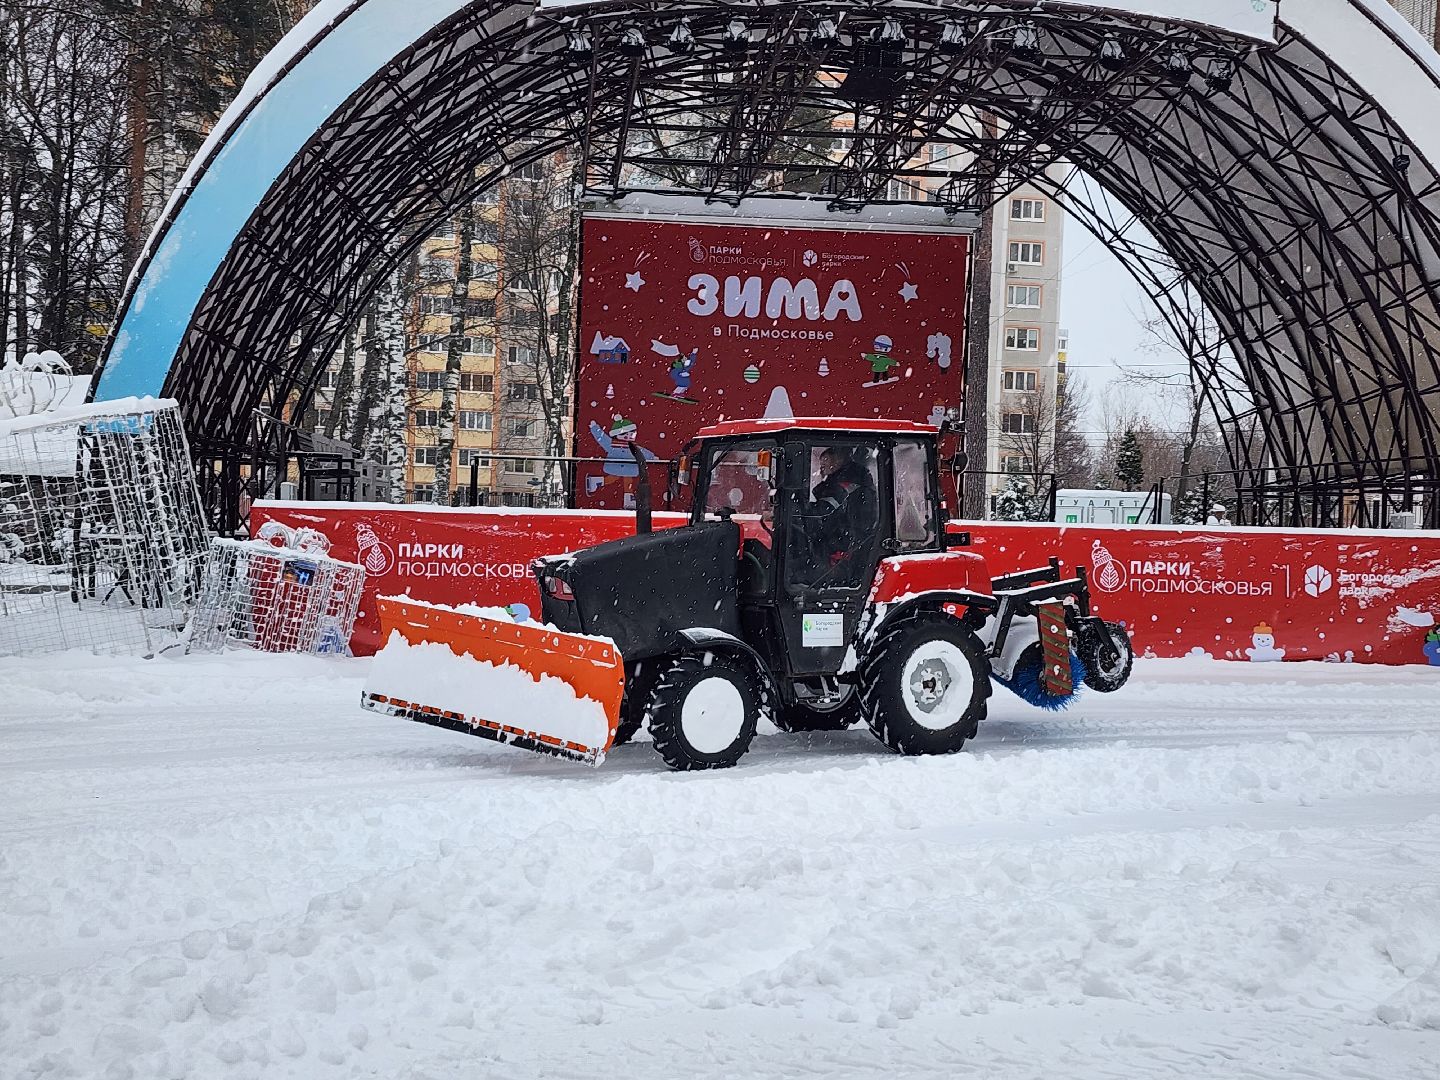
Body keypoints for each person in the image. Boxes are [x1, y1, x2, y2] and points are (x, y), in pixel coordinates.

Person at [807, 446, 878, 579]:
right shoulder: (837, 480)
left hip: (848, 541)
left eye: (825, 462)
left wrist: (797, 511)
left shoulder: (849, 481)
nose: (821, 466)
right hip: (842, 537)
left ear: (839, 459)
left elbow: (825, 509)